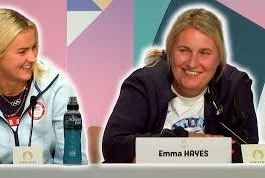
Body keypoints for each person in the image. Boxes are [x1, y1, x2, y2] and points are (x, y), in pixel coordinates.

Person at [102, 8, 258, 163]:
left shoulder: (235, 85)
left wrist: (153, 154)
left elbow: (250, 154)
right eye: (184, 50)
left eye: (204, 53)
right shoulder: (143, 83)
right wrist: (185, 139)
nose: (192, 63)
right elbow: (113, 146)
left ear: (219, 59)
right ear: (170, 52)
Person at [0, 8, 87, 164]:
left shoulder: (57, 87)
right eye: (22, 51)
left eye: (34, 47)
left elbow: (72, 163)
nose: (33, 58)